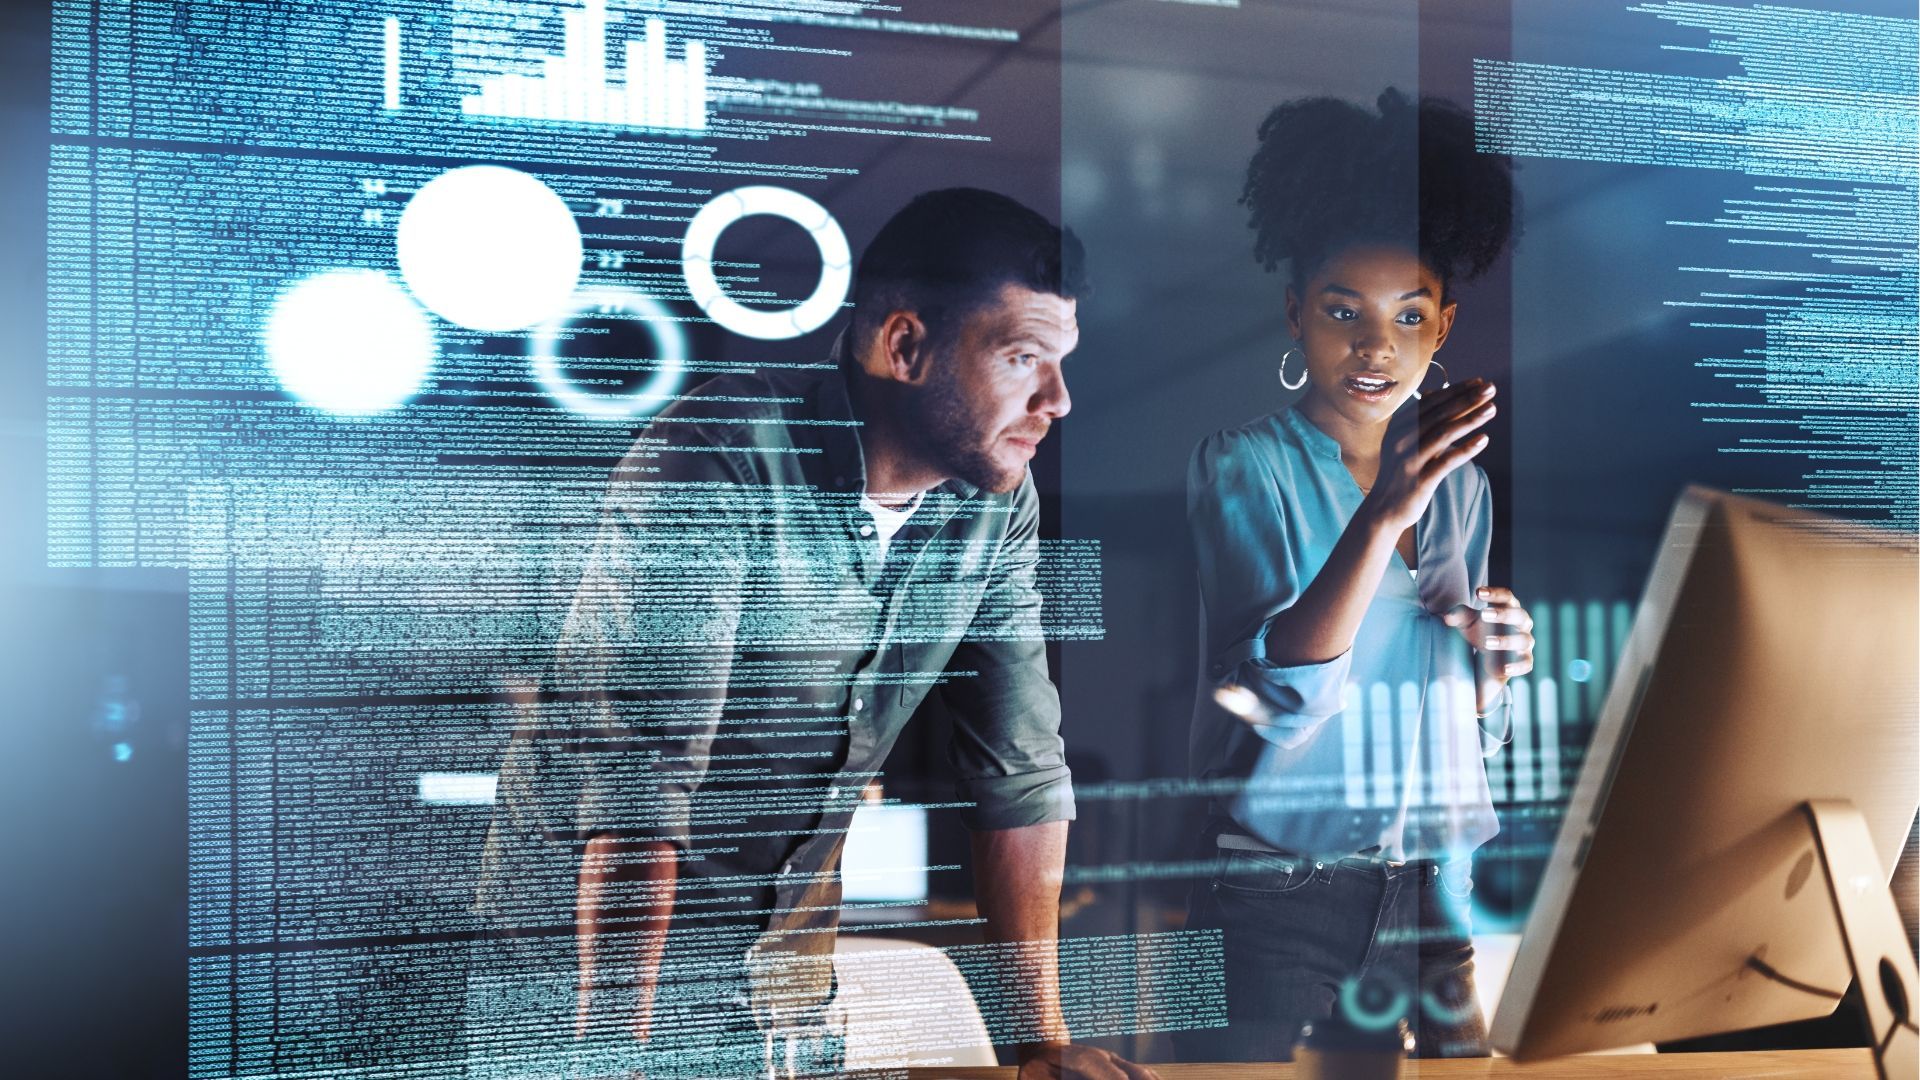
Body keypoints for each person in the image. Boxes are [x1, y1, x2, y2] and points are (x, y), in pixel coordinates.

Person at [477, 188, 1155, 1079]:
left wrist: (1042, 1048)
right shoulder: (717, 452)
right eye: (1024, 356)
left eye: (1060, 361)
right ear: (905, 346)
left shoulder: (997, 508)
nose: (1058, 399)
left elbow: (1021, 770)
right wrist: (611, 1055)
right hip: (575, 1000)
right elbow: (642, 790)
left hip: (782, 1008)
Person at [1174, 89, 1532, 1063]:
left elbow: (1472, 736)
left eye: (1408, 315)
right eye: (1344, 312)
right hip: (1283, 894)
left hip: (1435, 888)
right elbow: (1277, 706)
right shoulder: (1240, 465)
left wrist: (1494, 671)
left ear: (1443, 324)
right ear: (1296, 314)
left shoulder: (1465, 496)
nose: (1376, 346)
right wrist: (1383, 517)